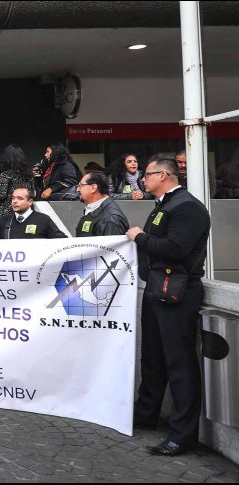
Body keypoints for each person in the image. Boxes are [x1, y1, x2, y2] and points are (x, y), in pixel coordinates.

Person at [126, 155, 211, 457]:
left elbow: (175, 249)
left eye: (147, 175)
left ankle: (182, 434)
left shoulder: (187, 208)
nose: (142, 180)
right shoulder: (164, 206)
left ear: (162, 175)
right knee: (153, 358)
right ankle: (147, 413)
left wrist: (140, 237)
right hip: (157, 290)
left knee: (179, 363)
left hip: (178, 293)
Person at [0, 187, 68, 239]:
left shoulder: (43, 219)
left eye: (20, 198)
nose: (14, 201)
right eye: (13, 198)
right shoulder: (4, 221)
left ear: (30, 202)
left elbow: (62, 240)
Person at [75, 172, 129, 237]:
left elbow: (109, 247)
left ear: (93, 188)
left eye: (80, 185)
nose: (78, 189)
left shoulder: (110, 219)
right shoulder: (93, 210)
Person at [0, 144, 35, 220]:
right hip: (26, 210)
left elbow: (1, 195)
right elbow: (32, 193)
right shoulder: (29, 175)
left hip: (8, 212)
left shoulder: (5, 175)